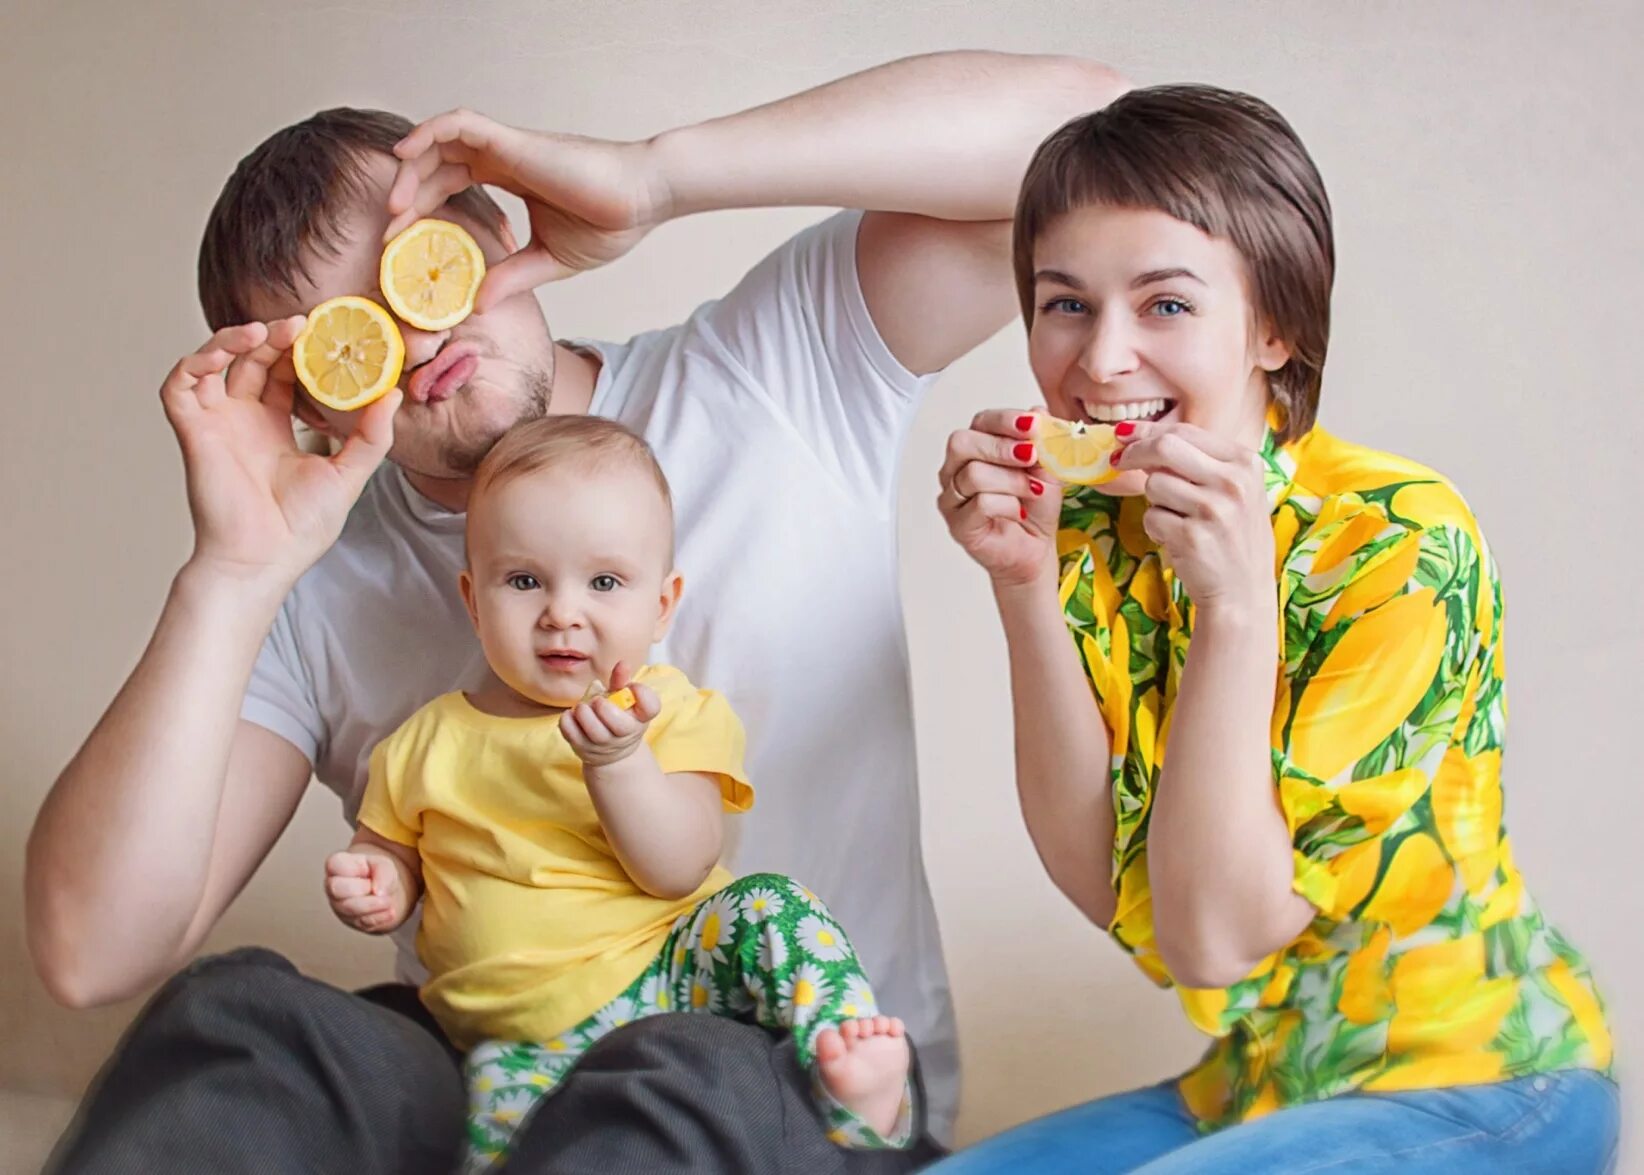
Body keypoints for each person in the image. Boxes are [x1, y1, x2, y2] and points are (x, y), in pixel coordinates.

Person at [27, 50, 1128, 1172]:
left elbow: (1098, 129)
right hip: (503, 1070)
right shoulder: (312, 587)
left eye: (418, 271)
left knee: (685, 1065)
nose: (416, 344)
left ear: (495, 233)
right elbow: (90, 951)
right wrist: (231, 574)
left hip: (798, 1070)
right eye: (349, 337)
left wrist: (655, 176)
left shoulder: (776, 368)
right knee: (245, 1023)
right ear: (310, 398)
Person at [931, 85, 1618, 1172]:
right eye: (1065, 303)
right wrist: (1020, 581)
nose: (1102, 359)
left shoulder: (1398, 540)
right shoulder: (1094, 536)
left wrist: (1236, 607)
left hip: (1487, 1080)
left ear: (1274, 326)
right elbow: (1104, 883)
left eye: (1164, 305)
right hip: (1254, 1086)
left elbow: (1216, 933)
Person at [328, 414, 918, 1170]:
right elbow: (393, 854)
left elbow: (678, 865)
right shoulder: (424, 741)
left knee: (773, 903)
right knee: (484, 1151)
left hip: (671, 971)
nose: (562, 612)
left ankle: (848, 1066)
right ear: (474, 601)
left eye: (604, 582)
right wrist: (379, 878)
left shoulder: (671, 711)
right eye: (524, 580)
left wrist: (619, 759)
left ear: (662, 604)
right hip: (507, 1038)